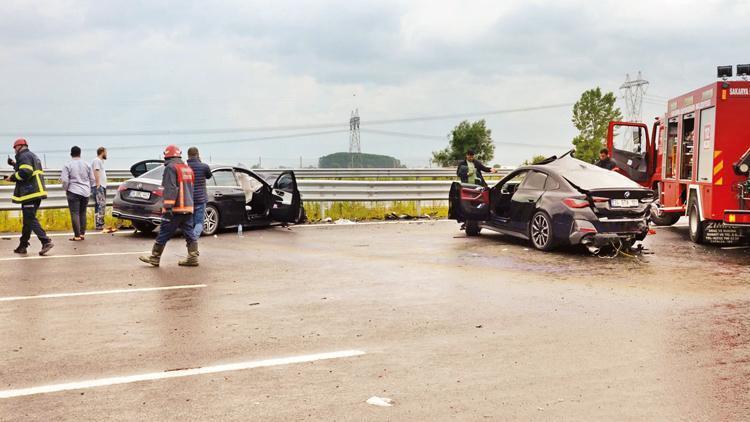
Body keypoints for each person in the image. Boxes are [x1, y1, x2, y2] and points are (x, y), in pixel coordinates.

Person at [139, 145, 199, 267]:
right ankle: (193, 257)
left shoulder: (171, 168)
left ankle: (155, 257)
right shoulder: (187, 168)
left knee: (164, 232)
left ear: (167, 156)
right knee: (189, 233)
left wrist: (168, 206)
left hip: (175, 209)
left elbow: (171, 188)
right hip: (187, 208)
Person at [3, 138, 54, 255]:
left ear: (19, 146)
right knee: (28, 221)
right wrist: (13, 164)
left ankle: (46, 241)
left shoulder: (23, 156)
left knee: (30, 219)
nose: (15, 150)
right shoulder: (31, 156)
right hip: (35, 192)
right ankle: (23, 245)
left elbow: (25, 172)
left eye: (15, 148)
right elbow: (26, 167)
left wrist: (12, 178)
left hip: (30, 192)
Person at [61, 146, 93, 241]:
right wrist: (88, 188)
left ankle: (77, 235)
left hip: (73, 191)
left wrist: (66, 189)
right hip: (85, 192)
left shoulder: (68, 165)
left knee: (75, 213)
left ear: (71, 154)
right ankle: (82, 234)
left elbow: (65, 180)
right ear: (80, 153)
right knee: (83, 212)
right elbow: (92, 179)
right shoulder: (87, 164)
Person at [186, 147, 212, 238]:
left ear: (188, 155)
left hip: (188, 199)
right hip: (201, 199)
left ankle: (190, 239)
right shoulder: (204, 166)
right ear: (198, 154)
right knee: (199, 223)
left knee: (189, 222)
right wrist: (200, 162)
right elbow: (209, 176)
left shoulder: (185, 167)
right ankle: (193, 240)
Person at [91, 146, 108, 232]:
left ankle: (98, 224)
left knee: (98, 205)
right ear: (102, 152)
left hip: (101, 185)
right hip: (99, 185)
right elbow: (96, 171)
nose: (106, 154)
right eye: (106, 152)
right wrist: (98, 183)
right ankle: (100, 224)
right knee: (101, 204)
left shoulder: (99, 161)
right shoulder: (97, 161)